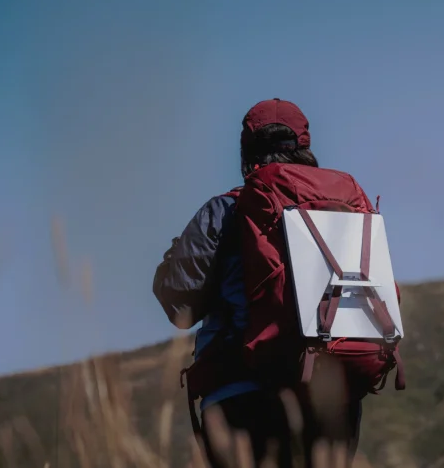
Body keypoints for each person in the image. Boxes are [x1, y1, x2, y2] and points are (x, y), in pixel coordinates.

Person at [153, 98, 366, 468]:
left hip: (241, 397)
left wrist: (171, 261)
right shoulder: (344, 209)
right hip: (334, 401)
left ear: (246, 151)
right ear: (304, 146)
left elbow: (180, 305)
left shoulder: (225, 210)